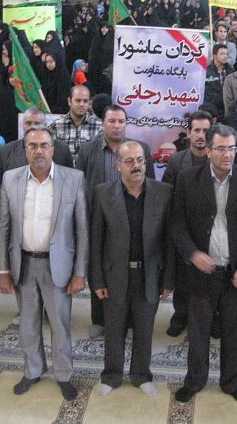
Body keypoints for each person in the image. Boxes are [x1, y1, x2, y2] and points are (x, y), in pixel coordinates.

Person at [172, 123, 237, 404]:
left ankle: (231, 382)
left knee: (233, 333)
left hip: (235, 273)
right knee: (198, 332)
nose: (227, 154)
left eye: (231, 148)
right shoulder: (188, 179)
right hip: (201, 273)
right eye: (221, 148)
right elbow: (177, 224)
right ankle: (194, 381)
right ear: (209, 150)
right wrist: (193, 254)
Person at [0, 125, 88, 401]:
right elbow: (3, 226)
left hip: (58, 266)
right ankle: (33, 371)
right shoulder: (10, 179)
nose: (39, 151)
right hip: (23, 263)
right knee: (28, 324)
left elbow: (82, 229)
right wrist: (3, 269)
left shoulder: (73, 179)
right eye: (33, 146)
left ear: (53, 149)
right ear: (25, 150)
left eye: (44, 145)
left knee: (60, 324)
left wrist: (80, 272)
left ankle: (64, 374)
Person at [90, 141, 174, 397]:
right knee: (114, 328)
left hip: (149, 275)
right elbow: (96, 240)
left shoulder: (163, 192)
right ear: (118, 165)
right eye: (129, 161)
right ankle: (111, 376)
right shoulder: (103, 193)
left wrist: (168, 280)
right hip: (115, 274)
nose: (135, 165)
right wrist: (97, 280)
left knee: (144, 328)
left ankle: (141, 375)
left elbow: (169, 241)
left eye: (139, 160)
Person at [76, 104, 154, 339]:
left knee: (127, 273)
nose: (117, 126)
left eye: (121, 121)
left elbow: (150, 185)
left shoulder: (140, 149)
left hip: (130, 219)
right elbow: (80, 186)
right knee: (98, 267)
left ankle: (129, 322)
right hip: (97, 219)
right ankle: (99, 319)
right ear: (103, 123)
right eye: (111, 121)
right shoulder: (88, 150)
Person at [162, 110, 213, 336]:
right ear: (189, 133)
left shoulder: (219, 157)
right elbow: (167, 194)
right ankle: (181, 315)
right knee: (183, 277)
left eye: (206, 130)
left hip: (212, 229)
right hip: (184, 229)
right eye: (197, 130)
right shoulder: (176, 160)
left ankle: (212, 317)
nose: (201, 135)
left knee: (211, 278)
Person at [0, 107, 73, 188]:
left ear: (46, 125)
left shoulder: (62, 150)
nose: (32, 127)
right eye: (28, 123)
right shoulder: (6, 152)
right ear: (23, 125)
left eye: (37, 124)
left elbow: (70, 184)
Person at [50, 85, 102, 163]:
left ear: (89, 103)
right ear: (69, 101)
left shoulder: (99, 127)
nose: (82, 104)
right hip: (63, 170)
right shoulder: (55, 126)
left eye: (85, 101)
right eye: (78, 100)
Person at [204, 43, 235, 119]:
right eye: (222, 54)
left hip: (228, 111)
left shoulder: (231, 71)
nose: (225, 56)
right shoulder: (206, 72)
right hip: (212, 112)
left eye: (226, 54)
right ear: (214, 56)